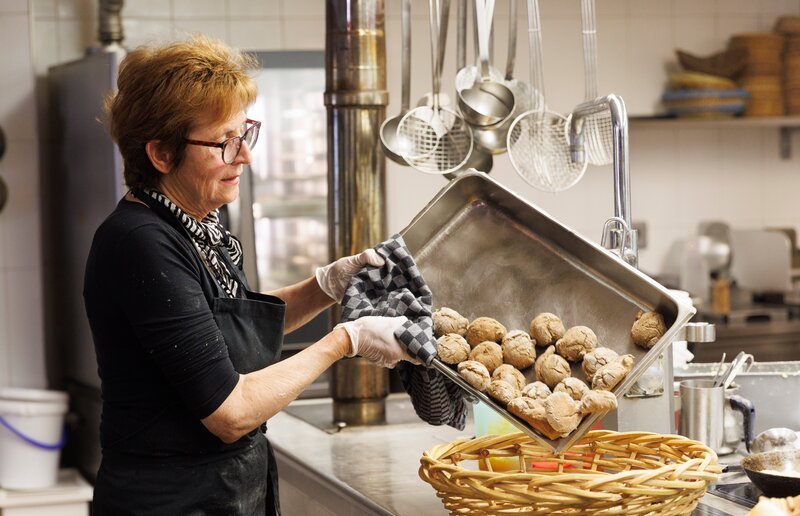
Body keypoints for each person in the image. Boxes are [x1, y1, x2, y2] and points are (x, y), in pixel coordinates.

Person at [83, 36, 416, 515]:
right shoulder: (142, 243)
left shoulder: (195, 221)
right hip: (173, 499)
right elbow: (230, 412)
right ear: (160, 154)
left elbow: (226, 332)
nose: (246, 157)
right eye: (224, 142)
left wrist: (326, 287)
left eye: (246, 134)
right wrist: (345, 340)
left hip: (223, 489)